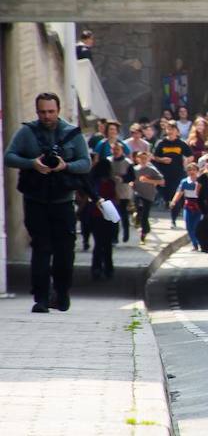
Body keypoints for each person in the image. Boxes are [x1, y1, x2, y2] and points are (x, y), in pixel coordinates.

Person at [4, 92, 91, 313]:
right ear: (37, 111)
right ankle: (41, 298)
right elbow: (9, 157)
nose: (47, 116)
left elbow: (85, 163)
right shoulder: (27, 132)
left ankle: (61, 294)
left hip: (63, 201)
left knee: (64, 251)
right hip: (36, 200)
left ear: (58, 110)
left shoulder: (71, 133)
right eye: (42, 112)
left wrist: (65, 166)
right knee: (41, 248)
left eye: (51, 111)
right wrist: (32, 163)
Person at [153, 120, 193, 229]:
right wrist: (162, 159)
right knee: (167, 196)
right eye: (168, 129)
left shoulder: (181, 144)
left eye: (173, 129)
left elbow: (190, 155)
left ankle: (173, 220)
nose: (170, 131)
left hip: (178, 175)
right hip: (164, 175)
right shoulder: (161, 143)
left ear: (177, 131)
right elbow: (154, 157)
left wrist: (186, 161)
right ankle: (168, 204)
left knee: (175, 197)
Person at [88, 157, 117, 281]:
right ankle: (108, 268)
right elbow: (115, 198)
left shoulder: (93, 182)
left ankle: (96, 267)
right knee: (107, 243)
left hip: (95, 214)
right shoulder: (110, 182)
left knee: (98, 243)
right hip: (108, 214)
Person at [131, 151, 165, 245]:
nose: (143, 160)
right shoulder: (134, 169)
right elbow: (131, 179)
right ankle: (141, 224)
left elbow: (162, 181)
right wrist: (131, 183)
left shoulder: (152, 170)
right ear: (137, 159)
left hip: (149, 195)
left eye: (145, 158)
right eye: (141, 158)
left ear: (148, 159)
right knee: (139, 211)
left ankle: (144, 232)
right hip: (138, 193)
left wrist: (148, 180)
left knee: (145, 215)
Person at [170, 163, 203, 251]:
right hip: (188, 205)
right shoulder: (184, 181)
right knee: (189, 226)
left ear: (197, 171)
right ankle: (194, 244)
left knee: (196, 226)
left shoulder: (201, 181)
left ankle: (201, 243)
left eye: (193, 170)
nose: (191, 172)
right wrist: (174, 201)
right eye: (189, 170)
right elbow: (179, 192)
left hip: (199, 206)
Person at [109, 141, 135, 244]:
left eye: (118, 150)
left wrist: (122, 178)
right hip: (111, 192)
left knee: (123, 214)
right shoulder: (108, 161)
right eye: (114, 150)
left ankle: (126, 233)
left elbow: (132, 177)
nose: (116, 152)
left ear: (122, 150)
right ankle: (114, 237)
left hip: (124, 191)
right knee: (114, 215)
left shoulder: (127, 163)